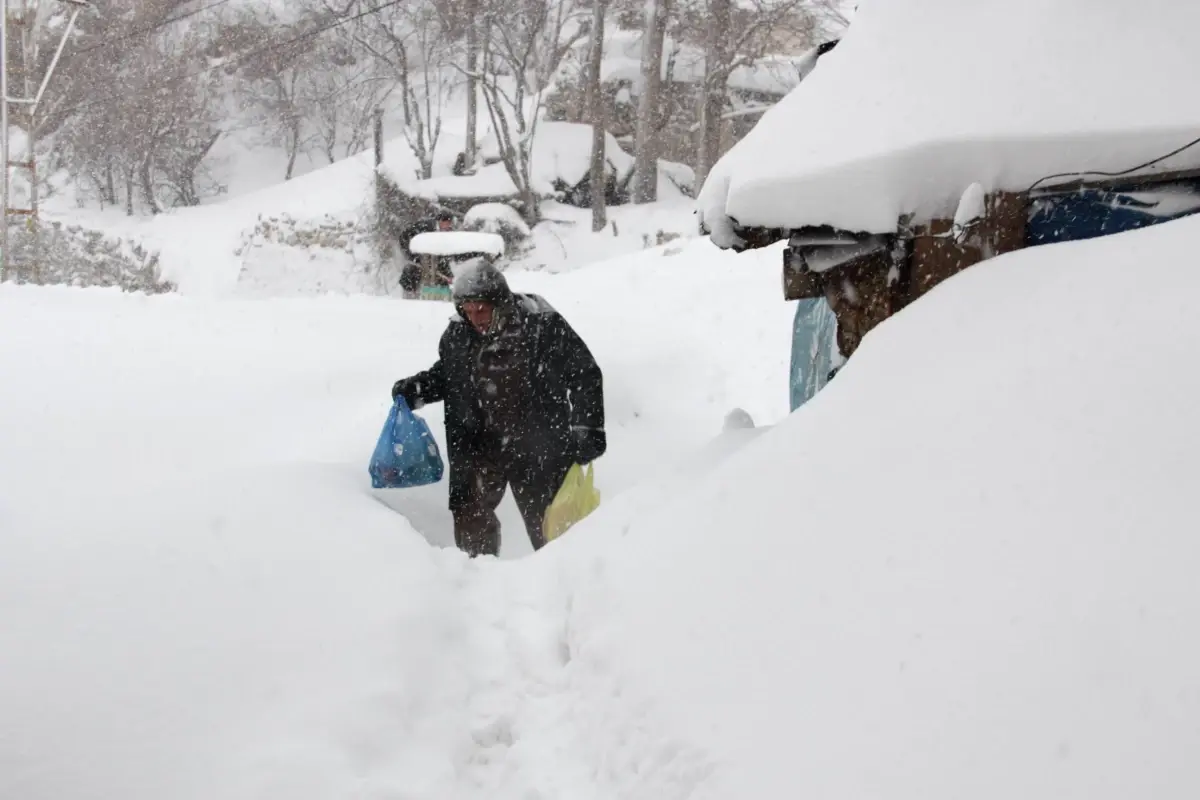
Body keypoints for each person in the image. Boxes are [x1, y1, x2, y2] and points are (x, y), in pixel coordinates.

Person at [391, 261, 605, 556]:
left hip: (536, 444)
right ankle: (477, 579)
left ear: (500, 302)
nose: (474, 317)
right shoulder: (458, 334)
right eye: (467, 309)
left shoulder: (541, 325)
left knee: (555, 528)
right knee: (471, 520)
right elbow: (450, 373)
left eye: (481, 309)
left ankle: (564, 583)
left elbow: (583, 372)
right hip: (478, 444)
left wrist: (588, 427)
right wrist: (419, 389)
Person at [399, 211, 455, 297]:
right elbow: (404, 236)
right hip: (418, 256)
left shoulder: (446, 232)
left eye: (450, 223)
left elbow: (443, 253)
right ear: (441, 221)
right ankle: (410, 295)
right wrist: (412, 254)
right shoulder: (426, 226)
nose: (449, 226)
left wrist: (448, 274)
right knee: (412, 273)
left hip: (431, 259)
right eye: (448, 223)